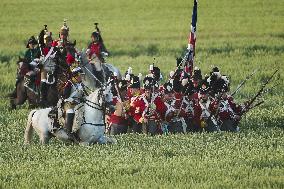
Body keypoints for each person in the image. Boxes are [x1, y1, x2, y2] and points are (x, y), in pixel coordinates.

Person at [62, 67, 86, 141]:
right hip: (68, 103)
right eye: (80, 76)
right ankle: (69, 132)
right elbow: (64, 96)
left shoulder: (81, 84)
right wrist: (73, 100)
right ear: (75, 76)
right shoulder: (69, 84)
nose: (81, 77)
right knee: (70, 111)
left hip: (79, 103)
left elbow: (84, 94)